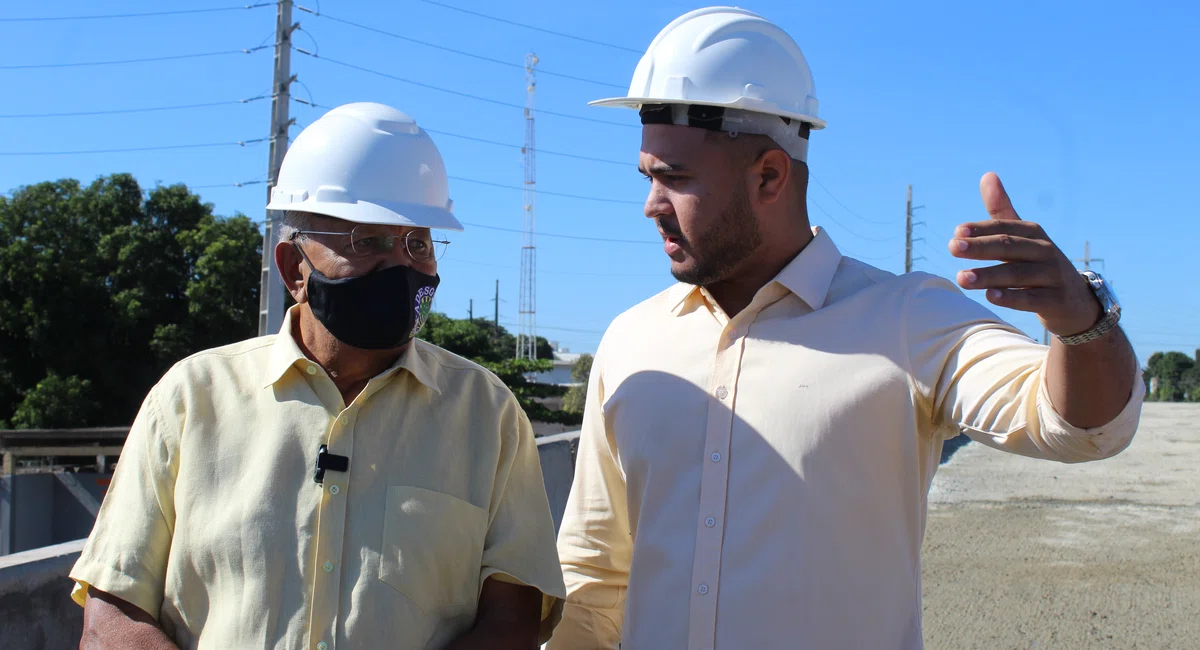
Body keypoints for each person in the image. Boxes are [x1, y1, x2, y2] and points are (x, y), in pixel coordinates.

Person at [550, 7, 1143, 649]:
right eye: (648, 177)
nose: (651, 206)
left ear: (770, 176)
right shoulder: (630, 343)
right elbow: (593, 580)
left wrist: (1080, 323)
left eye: (675, 179)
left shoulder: (907, 319)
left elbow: (1082, 428)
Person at [70, 102, 565, 650]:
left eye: (417, 244)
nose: (400, 265)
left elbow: (512, 623)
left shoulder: (486, 416)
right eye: (368, 242)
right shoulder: (189, 401)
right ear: (293, 270)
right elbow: (112, 616)